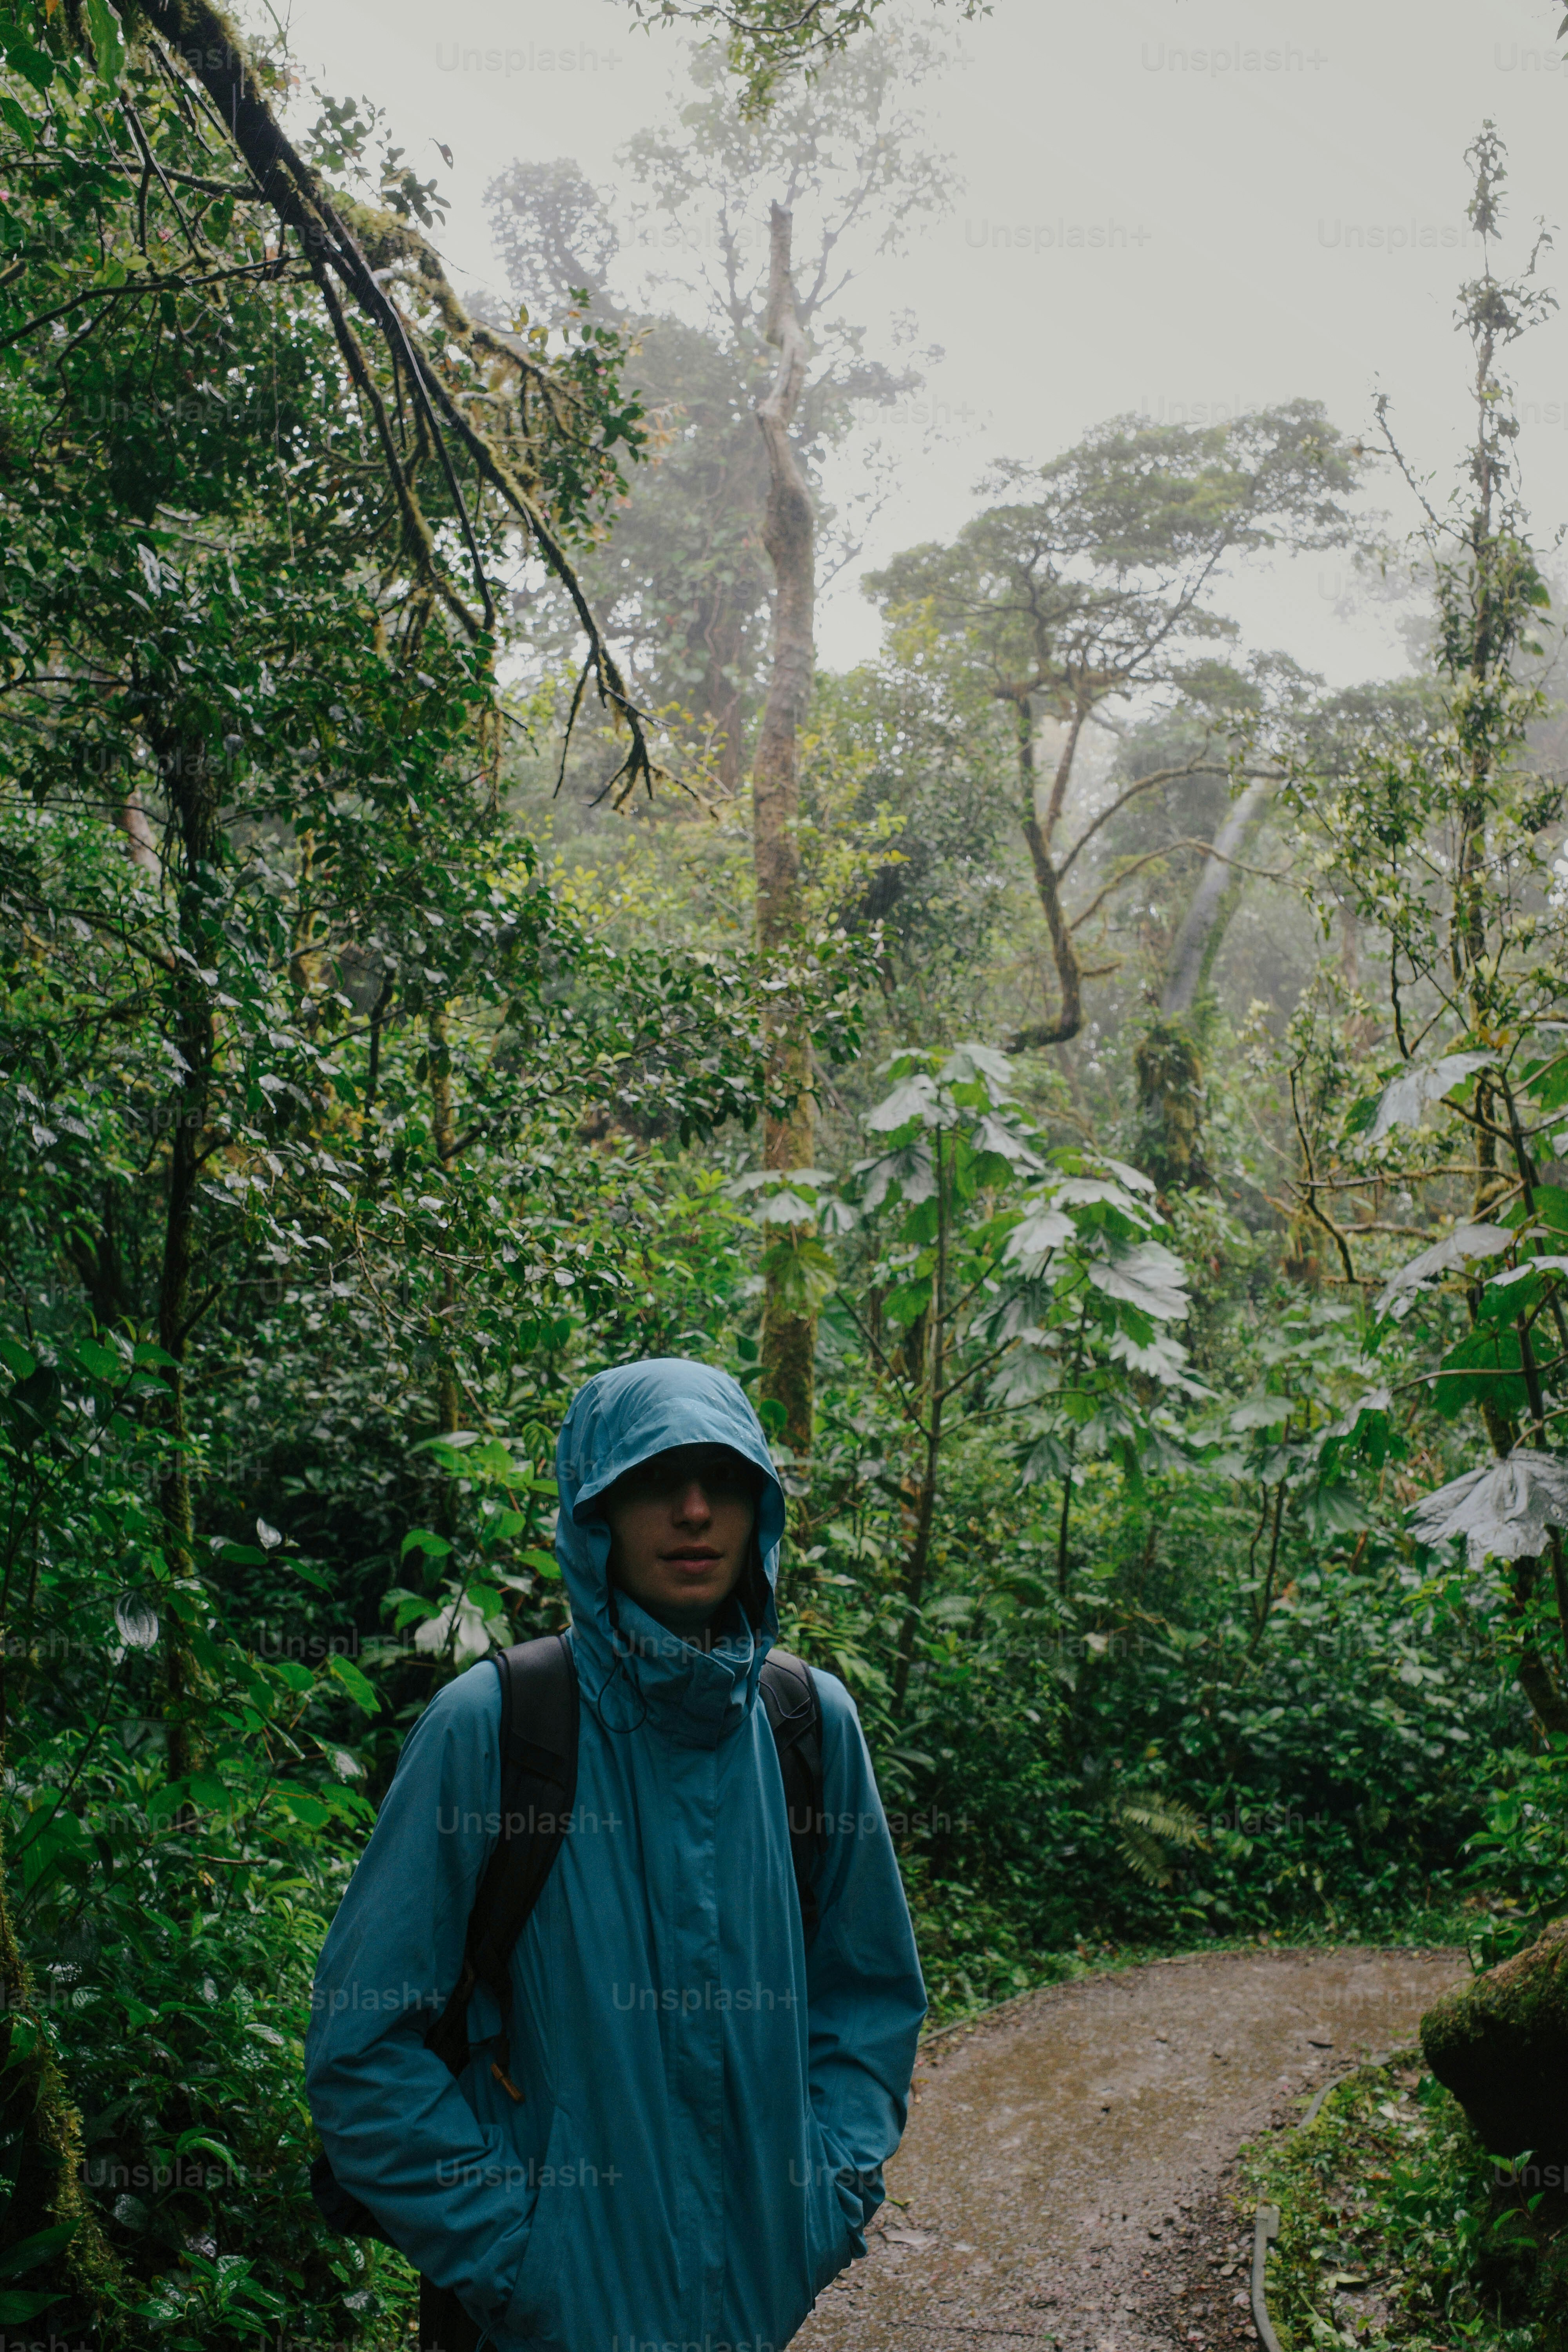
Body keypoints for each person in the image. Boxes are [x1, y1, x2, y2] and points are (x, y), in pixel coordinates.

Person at [305, 1356, 926, 2352]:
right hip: (532, 2321)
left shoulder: (807, 1726)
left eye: (723, 1481)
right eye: (652, 1481)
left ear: (760, 1512)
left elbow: (868, 1993)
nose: (692, 1511)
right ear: (594, 1509)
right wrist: (520, 2257)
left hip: (750, 2307)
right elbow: (361, 2046)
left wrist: (822, 2195)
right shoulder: (496, 1728)